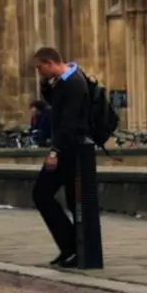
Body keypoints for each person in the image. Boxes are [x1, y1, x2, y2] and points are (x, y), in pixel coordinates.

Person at [31, 47, 96, 267]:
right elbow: (55, 106)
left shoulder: (75, 83)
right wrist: (45, 85)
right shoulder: (63, 81)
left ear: (50, 63)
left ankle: (72, 246)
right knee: (70, 201)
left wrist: (54, 151)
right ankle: (73, 249)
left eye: (40, 67)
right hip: (68, 148)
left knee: (41, 194)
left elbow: (68, 121)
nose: (39, 72)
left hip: (71, 150)